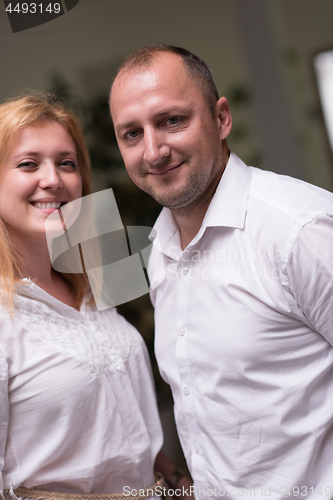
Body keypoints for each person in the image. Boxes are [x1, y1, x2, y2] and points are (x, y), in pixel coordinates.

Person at [110, 45, 333, 498]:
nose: (153, 151)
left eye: (172, 120)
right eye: (132, 134)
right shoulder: (161, 253)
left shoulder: (299, 231)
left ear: (222, 118)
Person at [0, 93, 187, 500]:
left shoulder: (90, 283)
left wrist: (172, 478)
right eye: (29, 163)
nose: (54, 179)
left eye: (66, 163)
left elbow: (116, 422)